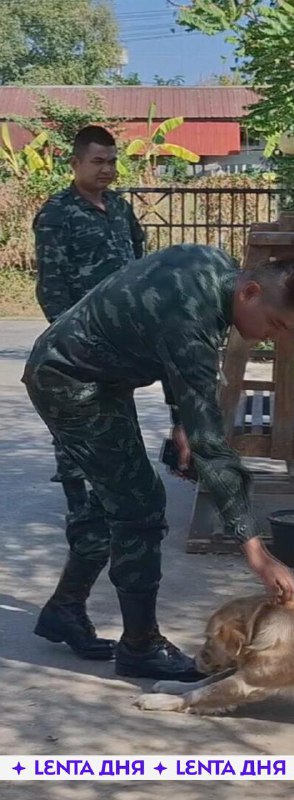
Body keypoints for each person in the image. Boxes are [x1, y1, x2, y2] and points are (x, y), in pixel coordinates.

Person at [23, 243, 294, 681]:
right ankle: (140, 647)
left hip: (93, 374)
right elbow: (211, 446)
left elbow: (164, 337)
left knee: (111, 502)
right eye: (274, 324)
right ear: (251, 292)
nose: (270, 337)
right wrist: (255, 550)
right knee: (139, 508)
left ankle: (64, 610)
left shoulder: (213, 267)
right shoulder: (194, 320)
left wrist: (182, 418)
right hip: (69, 381)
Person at [32, 125, 145, 661]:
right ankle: (67, 609)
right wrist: (84, 352)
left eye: (111, 161)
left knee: (111, 498)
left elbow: (140, 277)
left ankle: (65, 607)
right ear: (75, 163)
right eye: (98, 161)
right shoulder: (57, 214)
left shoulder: (121, 211)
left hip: (116, 372)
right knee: (91, 499)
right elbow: (52, 294)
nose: (107, 170)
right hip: (74, 373)